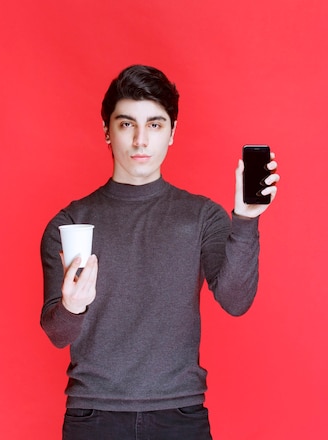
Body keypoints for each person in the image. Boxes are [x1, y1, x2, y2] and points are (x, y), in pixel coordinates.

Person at [40, 64, 280, 440]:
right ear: (107, 131)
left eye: (154, 124)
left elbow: (236, 301)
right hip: (94, 416)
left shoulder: (202, 216)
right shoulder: (70, 223)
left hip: (179, 416)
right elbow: (57, 333)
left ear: (172, 133)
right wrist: (72, 307)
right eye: (126, 124)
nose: (140, 140)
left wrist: (246, 219)